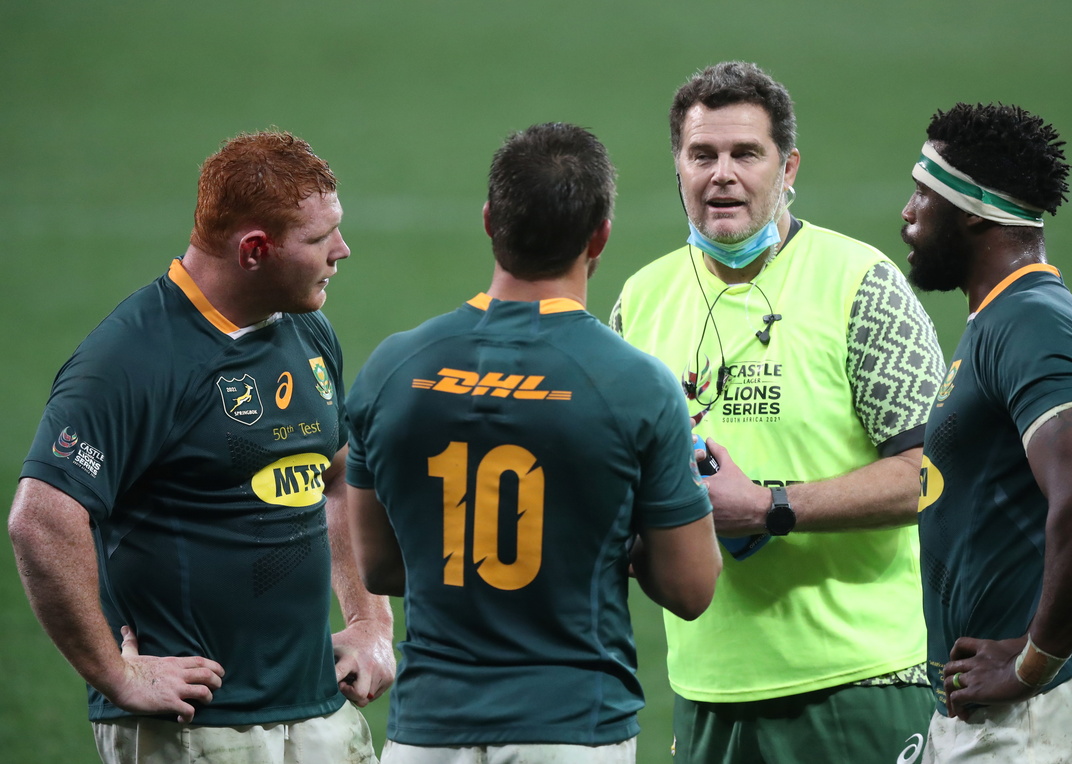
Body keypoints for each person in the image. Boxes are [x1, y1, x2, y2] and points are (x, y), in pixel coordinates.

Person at [8, 130, 395, 764]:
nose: (342, 250)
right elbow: (42, 519)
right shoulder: (133, 358)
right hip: (198, 729)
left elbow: (336, 476)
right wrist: (116, 674)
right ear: (254, 250)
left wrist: (370, 621)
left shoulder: (306, 330)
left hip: (318, 710)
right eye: (321, 239)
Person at [342, 122, 722, 764]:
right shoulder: (634, 385)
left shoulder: (393, 368)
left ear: (491, 221)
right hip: (571, 728)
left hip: (427, 730)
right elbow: (691, 589)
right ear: (600, 236)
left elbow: (378, 566)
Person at [611, 61, 946, 763]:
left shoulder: (863, 285)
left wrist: (770, 507)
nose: (722, 175)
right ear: (678, 167)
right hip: (706, 691)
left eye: (746, 154)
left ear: (788, 167)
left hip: (858, 682)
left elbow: (932, 476)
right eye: (702, 155)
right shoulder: (639, 302)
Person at [900, 102, 1072, 762]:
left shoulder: (1033, 320)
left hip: (1032, 713)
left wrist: (1029, 666)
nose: (908, 213)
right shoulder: (1003, 318)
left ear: (973, 211)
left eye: (924, 193)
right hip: (1007, 710)